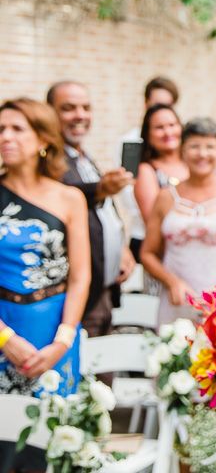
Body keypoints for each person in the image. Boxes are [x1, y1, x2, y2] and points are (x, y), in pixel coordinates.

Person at [0, 99, 89, 396]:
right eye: (1, 129)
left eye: (17, 129)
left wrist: (63, 340)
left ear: (43, 139)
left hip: (53, 326)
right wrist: (4, 338)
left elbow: (79, 276)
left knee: (52, 432)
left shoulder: (70, 198)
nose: (5, 137)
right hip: (3, 326)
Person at [46, 82, 134, 347]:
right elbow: (67, 196)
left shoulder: (83, 155)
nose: (80, 115)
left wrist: (122, 247)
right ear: (49, 113)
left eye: (86, 107)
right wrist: (102, 187)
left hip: (105, 289)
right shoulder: (52, 160)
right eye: (68, 108)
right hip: (82, 296)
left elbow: (103, 209)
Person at [140, 118, 216, 325]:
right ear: (182, 150)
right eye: (194, 146)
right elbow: (147, 254)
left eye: (210, 147)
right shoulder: (166, 196)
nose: (202, 154)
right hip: (176, 303)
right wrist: (172, 282)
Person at [113, 78, 178, 265]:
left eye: (167, 105)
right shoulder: (132, 142)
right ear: (146, 103)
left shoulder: (178, 141)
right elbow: (128, 190)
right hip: (144, 233)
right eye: (157, 104)